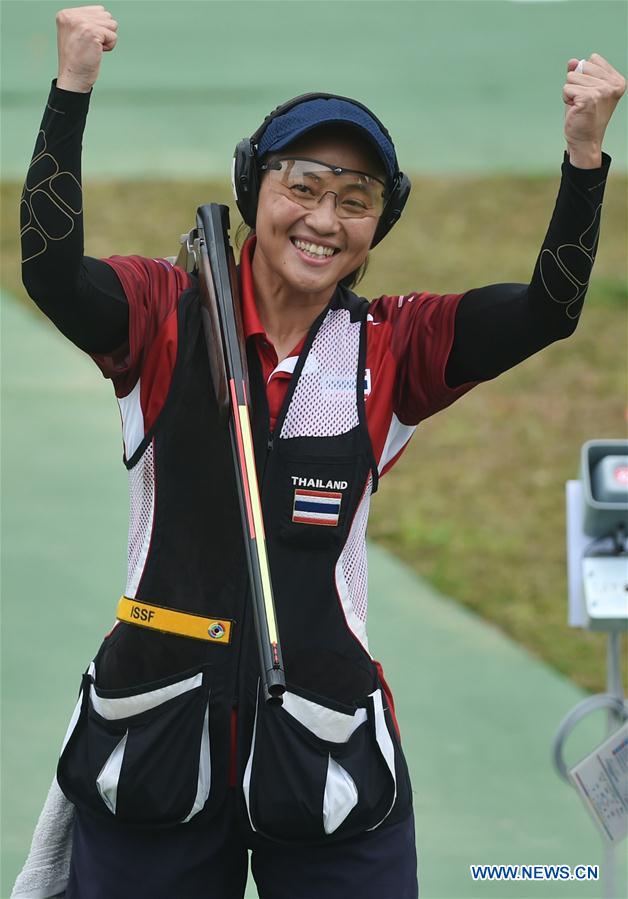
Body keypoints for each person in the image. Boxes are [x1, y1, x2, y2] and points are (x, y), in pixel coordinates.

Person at [14, 6, 626, 899]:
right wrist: (72, 89)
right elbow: (50, 271)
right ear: (254, 187)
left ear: (380, 223)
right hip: (154, 739)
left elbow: (549, 308)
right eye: (304, 184)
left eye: (356, 198)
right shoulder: (162, 311)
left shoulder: (395, 343)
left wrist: (583, 156)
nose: (324, 218)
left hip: (325, 748)